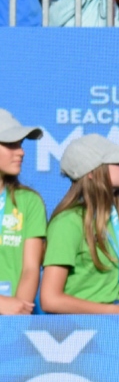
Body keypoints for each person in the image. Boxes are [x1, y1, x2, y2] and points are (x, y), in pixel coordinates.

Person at [40, 135, 119, 315]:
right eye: (118, 161)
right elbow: (50, 300)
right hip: (80, 331)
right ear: (92, 172)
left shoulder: (114, 219)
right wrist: (115, 310)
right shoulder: (67, 223)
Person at [0, 112, 49, 315]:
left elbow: (31, 268)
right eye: (11, 144)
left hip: (15, 319)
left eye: (20, 144)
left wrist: (17, 313)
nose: (21, 152)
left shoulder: (30, 202)